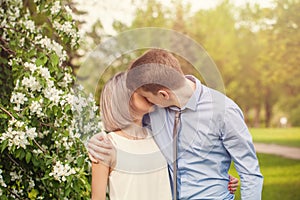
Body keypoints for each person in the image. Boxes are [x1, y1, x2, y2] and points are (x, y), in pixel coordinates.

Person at [89, 49, 254, 199]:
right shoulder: (109, 145)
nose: (145, 95)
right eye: (138, 93)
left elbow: (181, 161)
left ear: (163, 94)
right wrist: (94, 141)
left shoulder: (156, 130)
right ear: (123, 101)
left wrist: (216, 178)